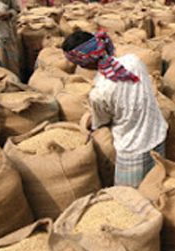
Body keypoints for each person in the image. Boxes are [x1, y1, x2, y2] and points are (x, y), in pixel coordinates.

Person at [62, 30, 168, 187]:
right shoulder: (134, 61)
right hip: (157, 134)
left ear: (83, 63)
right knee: (156, 185)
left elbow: (101, 122)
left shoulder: (99, 92)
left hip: (133, 149)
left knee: (132, 200)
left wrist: (88, 120)